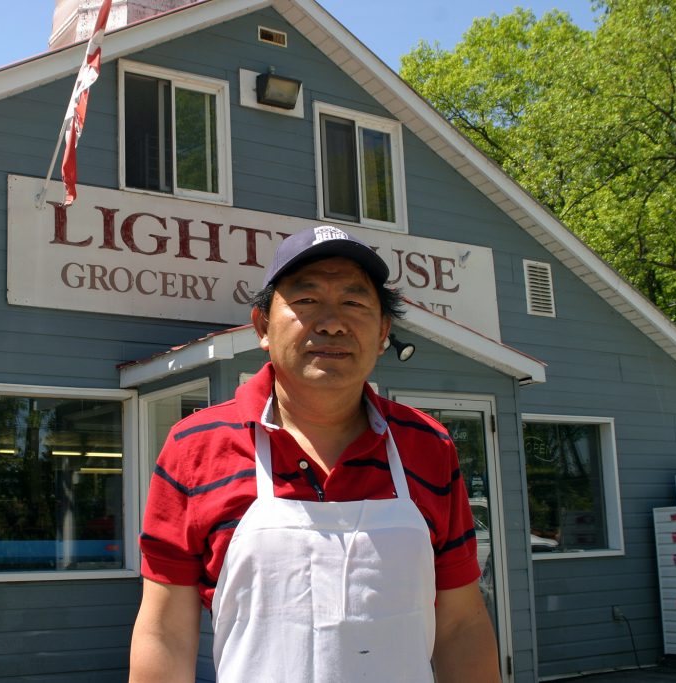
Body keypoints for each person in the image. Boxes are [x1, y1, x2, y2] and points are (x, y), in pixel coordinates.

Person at [129, 225, 500, 682]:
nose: (332, 322)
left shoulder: (429, 446)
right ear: (263, 326)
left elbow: (462, 624)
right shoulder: (196, 445)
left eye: (354, 302)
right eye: (306, 301)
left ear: (384, 330)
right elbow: (165, 630)